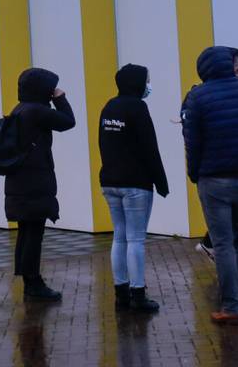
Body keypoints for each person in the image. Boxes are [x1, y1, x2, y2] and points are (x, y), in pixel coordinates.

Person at [183, 46, 238, 325]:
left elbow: (193, 143)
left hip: (214, 179)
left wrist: (194, 174)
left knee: (223, 245)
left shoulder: (198, 97)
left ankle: (231, 307)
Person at [98, 64, 169, 312]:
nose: (148, 85)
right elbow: (150, 147)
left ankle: (121, 293)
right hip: (136, 184)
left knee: (119, 237)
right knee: (136, 239)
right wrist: (161, 182)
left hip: (110, 182)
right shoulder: (138, 108)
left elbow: (102, 144)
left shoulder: (109, 106)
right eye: (147, 80)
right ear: (137, 82)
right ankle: (138, 295)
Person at [5, 67, 76, 303]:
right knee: (34, 232)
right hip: (34, 181)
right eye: (51, 87)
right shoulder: (36, 111)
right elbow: (68, 122)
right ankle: (34, 282)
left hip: (20, 180)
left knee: (26, 231)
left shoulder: (20, 109)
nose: (53, 90)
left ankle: (29, 279)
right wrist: (60, 99)